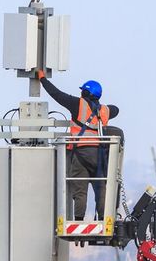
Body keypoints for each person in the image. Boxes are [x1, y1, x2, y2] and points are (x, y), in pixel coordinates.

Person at [40, 74, 120, 220]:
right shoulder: (105, 111)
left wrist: (42, 79)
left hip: (81, 153)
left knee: (80, 191)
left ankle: (78, 219)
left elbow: (56, 94)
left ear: (86, 93)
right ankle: (103, 219)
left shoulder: (78, 104)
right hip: (100, 155)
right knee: (101, 188)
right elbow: (116, 109)